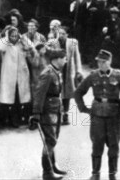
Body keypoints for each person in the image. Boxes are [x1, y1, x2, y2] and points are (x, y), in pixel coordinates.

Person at [73, 50, 120, 180]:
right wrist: (83, 109)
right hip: (97, 116)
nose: (100, 64)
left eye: (103, 62)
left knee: (113, 145)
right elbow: (78, 92)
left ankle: (112, 174)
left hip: (113, 116)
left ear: (110, 62)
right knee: (97, 144)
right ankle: (95, 174)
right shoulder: (93, 75)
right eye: (99, 62)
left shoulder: (118, 75)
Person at [29, 48, 69, 180]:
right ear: (57, 59)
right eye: (64, 58)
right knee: (50, 140)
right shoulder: (48, 73)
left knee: (53, 139)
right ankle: (47, 172)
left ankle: (53, 166)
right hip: (47, 111)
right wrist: (36, 113)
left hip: (55, 110)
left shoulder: (56, 71)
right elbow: (39, 94)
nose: (65, 60)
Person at [0, 26, 35, 127]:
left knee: (19, 98)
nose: (14, 37)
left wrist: (23, 39)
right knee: (6, 99)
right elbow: (0, 47)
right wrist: (6, 36)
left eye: (16, 35)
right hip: (8, 74)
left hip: (21, 74)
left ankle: (16, 119)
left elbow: (31, 46)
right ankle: (4, 121)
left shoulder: (21, 43)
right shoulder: (4, 43)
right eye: (12, 35)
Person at [47, 27, 83, 125]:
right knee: (56, 92)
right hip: (57, 70)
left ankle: (65, 114)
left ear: (67, 34)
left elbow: (77, 57)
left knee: (67, 93)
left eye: (63, 33)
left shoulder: (73, 42)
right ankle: (57, 114)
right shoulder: (53, 42)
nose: (61, 35)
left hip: (68, 70)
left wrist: (79, 70)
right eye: (59, 33)